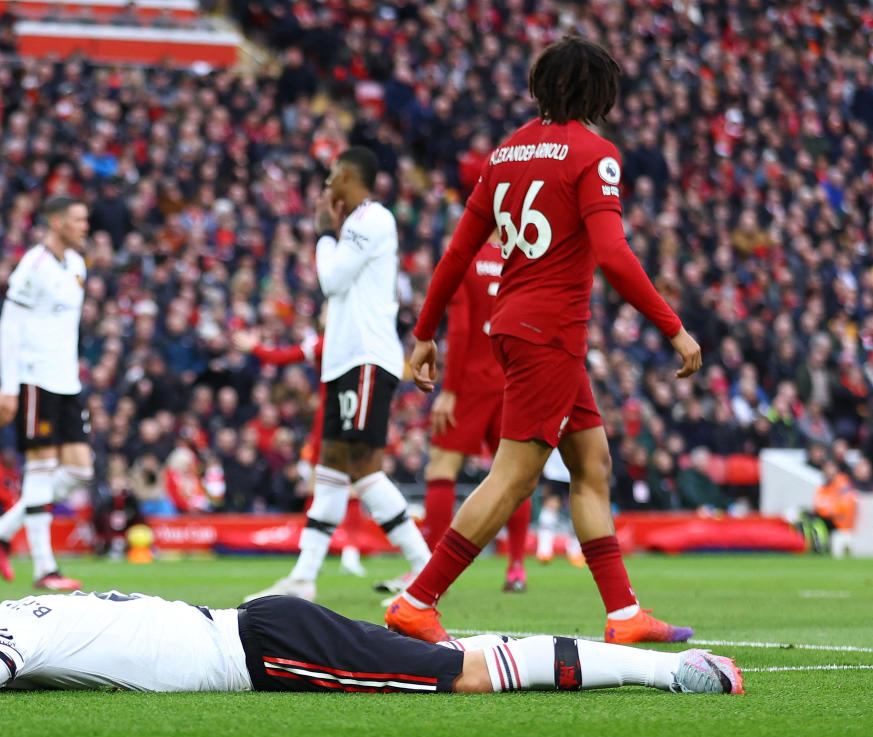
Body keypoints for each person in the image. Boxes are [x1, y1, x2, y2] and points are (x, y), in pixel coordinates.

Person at [387, 37, 703, 644]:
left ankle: (624, 614)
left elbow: (457, 253)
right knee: (513, 477)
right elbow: (611, 251)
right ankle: (417, 600)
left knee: (592, 463)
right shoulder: (594, 153)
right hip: (549, 334)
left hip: (514, 326)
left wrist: (424, 334)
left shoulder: (504, 153)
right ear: (598, 92)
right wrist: (672, 325)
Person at [0, 591, 744, 696]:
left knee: (460, 675)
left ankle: (674, 671)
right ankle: (667, 665)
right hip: (261, 624)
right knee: (454, 652)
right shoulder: (27, 603)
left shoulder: (5, 637)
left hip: (263, 652)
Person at [247, 147, 432, 602]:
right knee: (329, 469)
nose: (326, 189)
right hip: (345, 362)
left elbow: (331, 281)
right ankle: (304, 577)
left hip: (367, 358)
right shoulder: (358, 224)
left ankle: (427, 572)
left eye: (331, 180)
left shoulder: (372, 220)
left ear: (350, 178)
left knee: (362, 468)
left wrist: (325, 235)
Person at [0, 196, 94, 591]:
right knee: (41, 470)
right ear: (57, 222)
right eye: (79, 219)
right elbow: (9, 325)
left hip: (67, 381)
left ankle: (1, 529)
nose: (85, 226)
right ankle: (45, 568)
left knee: (80, 469)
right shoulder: (34, 265)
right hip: (35, 379)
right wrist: (9, 388)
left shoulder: (77, 264)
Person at [421, 233, 532, 592]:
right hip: (514, 375)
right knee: (516, 473)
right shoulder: (524, 255)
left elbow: (461, 327)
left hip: (470, 380)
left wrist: (449, 392)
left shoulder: (464, 256)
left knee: (442, 468)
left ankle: (431, 569)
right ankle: (516, 567)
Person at [233, 324, 368, 577]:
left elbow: (283, 356)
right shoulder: (335, 341)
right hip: (343, 421)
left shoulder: (338, 339)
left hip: (340, 422)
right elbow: (285, 357)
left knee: (346, 489)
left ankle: (334, 554)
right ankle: (326, 554)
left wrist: (255, 347)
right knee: (330, 489)